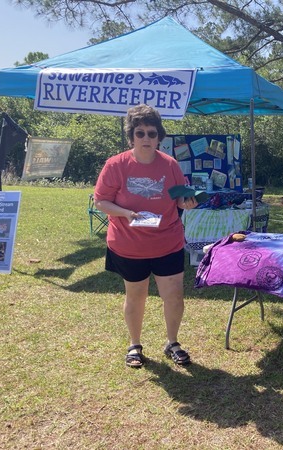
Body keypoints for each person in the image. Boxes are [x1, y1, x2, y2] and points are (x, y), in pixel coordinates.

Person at [94, 104, 198, 368]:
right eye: (140, 133)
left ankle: (172, 342)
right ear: (131, 136)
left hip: (167, 241)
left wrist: (187, 203)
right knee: (136, 295)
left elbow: (180, 199)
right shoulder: (116, 165)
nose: (146, 139)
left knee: (174, 295)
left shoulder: (170, 165)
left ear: (159, 136)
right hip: (129, 245)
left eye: (152, 133)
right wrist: (127, 214)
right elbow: (102, 201)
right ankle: (134, 345)